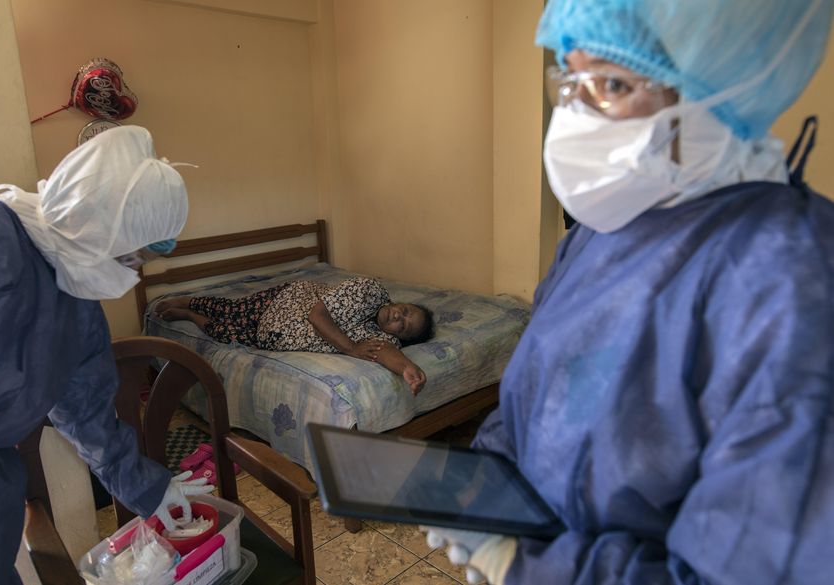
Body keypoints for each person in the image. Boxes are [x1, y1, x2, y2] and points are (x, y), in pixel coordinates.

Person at [426, 0, 834, 583]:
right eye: (568, 79)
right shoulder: (601, 229)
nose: (574, 114)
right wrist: (485, 480)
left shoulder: (794, 282)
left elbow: (758, 561)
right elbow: (536, 390)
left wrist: (531, 566)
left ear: (722, 89)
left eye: (612, 83)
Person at [0, 126, 212, 584]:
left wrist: (150, 487)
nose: (134, 274)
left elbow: (90, 417)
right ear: (101, 226)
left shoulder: (78, 307)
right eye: (133, 259)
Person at [155, 276, 435, 394]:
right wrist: (350, 348)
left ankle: (190, 316)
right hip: (284, 303)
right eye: (406, 311)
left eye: (405, 326)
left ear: (401, 337)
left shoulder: (381, 339)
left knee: (224, 333)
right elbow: (317, 316)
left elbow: (386, 353)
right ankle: (190, 302)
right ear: (400, 302)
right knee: (232, 309)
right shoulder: (369, 290)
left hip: (270, 336)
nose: (399, 317)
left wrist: (409, 368)